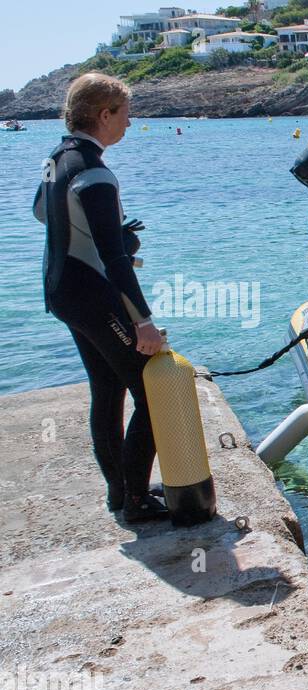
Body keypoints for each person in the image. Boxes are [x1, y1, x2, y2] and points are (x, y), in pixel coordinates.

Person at [32, 73, 166, 522]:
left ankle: (119, 493)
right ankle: (135, 498)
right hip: (91, 290)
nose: (129, 123)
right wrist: (143, 322)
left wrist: (85, 232)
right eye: (125, 115)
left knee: (107, 388)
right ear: (103, 114)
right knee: (153, 392)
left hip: (61, 289)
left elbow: (40, 212)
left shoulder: (59, 158)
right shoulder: (95, 173)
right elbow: (114, 259)